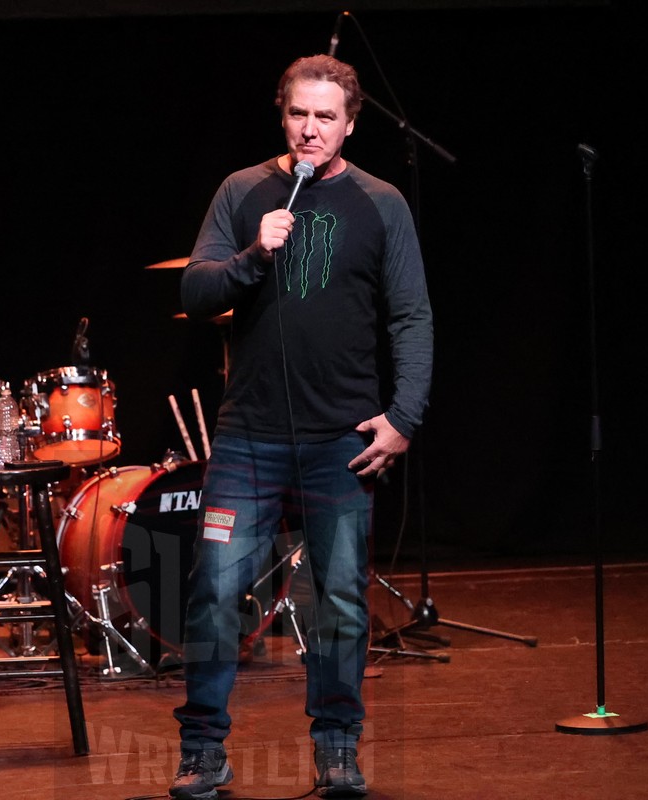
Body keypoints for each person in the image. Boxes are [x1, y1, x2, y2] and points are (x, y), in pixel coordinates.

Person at [170, 54, 434, 799]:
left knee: (341, 599)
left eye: (325, 117)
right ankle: (201, 752)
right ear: (281, 115)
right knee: (214, 590)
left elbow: (412, 315)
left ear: (350, 123)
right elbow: (195, 291)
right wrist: (255, 253)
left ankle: (338, 750)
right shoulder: (243, 191)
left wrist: (404, 416)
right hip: (250, 435)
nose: (310, 129)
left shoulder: (381, 203)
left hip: (341, 441)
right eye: (298, 114)